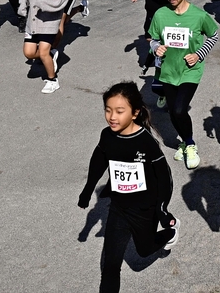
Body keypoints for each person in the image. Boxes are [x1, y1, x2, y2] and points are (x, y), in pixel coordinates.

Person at [78, 81, 179, 293]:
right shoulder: (107, 136)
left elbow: (164, 177)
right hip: (118, 208)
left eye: (119, 111)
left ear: (135, 113)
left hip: (145, 209)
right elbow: (99, 160)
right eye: (108, 110)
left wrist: (161, 209)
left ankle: (170, 232)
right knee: (110, 266)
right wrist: (88, 190)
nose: (112, 117)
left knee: (144, 250)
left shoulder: (145, 142)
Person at [149, 0, 218, 169]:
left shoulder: (199, 15)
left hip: (190, 70)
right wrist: (156, 48)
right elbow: (152, 39)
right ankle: (185, 142)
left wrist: (198, 54)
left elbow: (213, 36)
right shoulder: (161, 14)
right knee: (173, 111)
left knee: (180, 108)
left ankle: (190, 144)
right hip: (168, 70)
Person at [19, 0, 68, 94]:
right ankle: (52, 54)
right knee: (28, 52)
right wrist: (22, 6)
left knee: (42, 52)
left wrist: (43, 4)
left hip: (49, 20)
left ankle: (52, 80)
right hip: (33, 21)